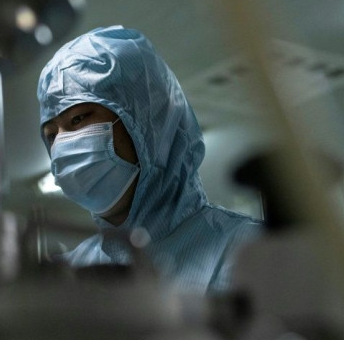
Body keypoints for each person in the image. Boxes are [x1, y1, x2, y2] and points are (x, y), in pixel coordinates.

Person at [38, 25, 262, 293]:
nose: (62, 145)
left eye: (78, 119)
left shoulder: (251, 252)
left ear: (148, 123)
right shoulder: (67, 276)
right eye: (51, 136)